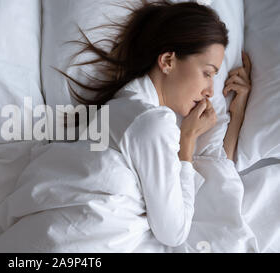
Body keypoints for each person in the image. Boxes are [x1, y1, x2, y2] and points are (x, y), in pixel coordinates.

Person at [58, 0, 252, 247]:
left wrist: (239, 108)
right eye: (207, 73)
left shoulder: (120, 106)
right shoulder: (152, 123)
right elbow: (174, 233)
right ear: (168, 61)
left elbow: (215, 168)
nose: (210, 91)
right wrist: (187, 142)